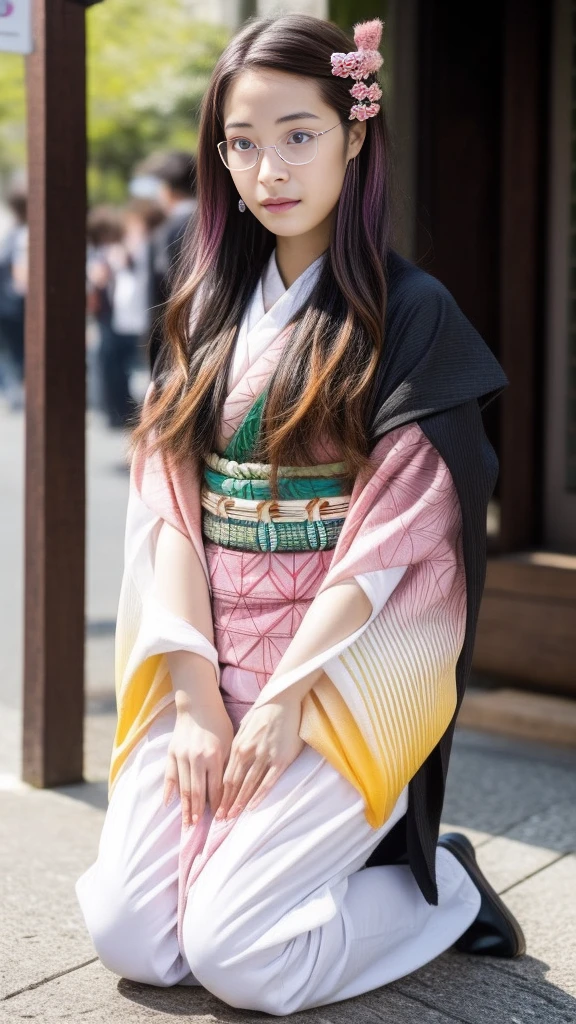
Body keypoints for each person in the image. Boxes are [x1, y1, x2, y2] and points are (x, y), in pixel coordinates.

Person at [76, 14, 525, 1015]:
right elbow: (168, 518)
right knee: (136, 934)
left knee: (239, 953)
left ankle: (440, 885)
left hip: (337, 669)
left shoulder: (412, 315)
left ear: (354, 134)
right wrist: (195, 701)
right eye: (242, 142)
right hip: (207, 651)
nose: (268, 168)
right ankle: (298, 860)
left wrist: (281, 702)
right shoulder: (203, 304)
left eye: (298, 134)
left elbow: (396, 541)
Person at [143, 150, 198, 371]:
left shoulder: (167, 232)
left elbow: (159, 294)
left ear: (167, 189)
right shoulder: (221, 223)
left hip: (176, 342)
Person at [0, 185, 28, 410]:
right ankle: (18, 394)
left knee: (14, 352)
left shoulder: (12, 233)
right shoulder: (23, 235)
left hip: (8, 304)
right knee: (19, 352)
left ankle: (16, 393)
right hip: (17, 305)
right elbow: (21, 276)